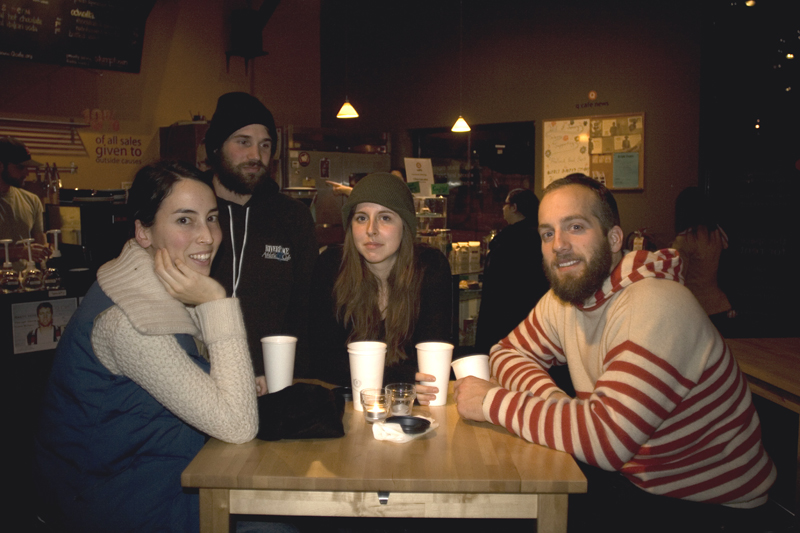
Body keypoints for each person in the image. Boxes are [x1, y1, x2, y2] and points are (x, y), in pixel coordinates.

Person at [454, 174, 776, 532]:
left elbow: (605, 441)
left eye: (575, 227)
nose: (558, 245)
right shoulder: (567, 298)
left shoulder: (656, 303)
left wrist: (491, 402)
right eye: (547, 233)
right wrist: (556, 403)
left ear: (614, 239)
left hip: (714, 509)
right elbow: (507, 353)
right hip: (638, 484)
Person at [34, 161, 258, 532]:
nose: (207, 236)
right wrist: (217, 302)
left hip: (153, 476)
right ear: (143, 232)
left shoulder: (152, 282)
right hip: (115, 503)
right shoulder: (130, 321)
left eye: (212, 218)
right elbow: (238, 425)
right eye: (185, 220)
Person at [205, 92, 318, 392]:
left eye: (265, 145)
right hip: (198, 380)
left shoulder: (293, 217)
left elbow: (305, 311)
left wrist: (293, 380)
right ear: (216, 147)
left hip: (274, 385)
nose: (255, 155)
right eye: (243, 142)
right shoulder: (191, 213)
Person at [310, 172, 453, 404]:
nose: (371, 230)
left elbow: (433, 360)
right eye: (361, 218)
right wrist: (397, 381)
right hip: (349, 406)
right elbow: (320, 361)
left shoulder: (430, 268)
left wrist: (391, 380)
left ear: (405, 225)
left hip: (415, 411)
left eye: (385, 218)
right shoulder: (331, 267)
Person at [474, 188, 549, 354]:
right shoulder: (542, 237)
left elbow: (496, 290)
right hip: (534, 321)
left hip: (505, 320)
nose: (503, 208)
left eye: (506, 204)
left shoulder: (506, 241)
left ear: (514, 207)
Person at [0, 136, 50, 268]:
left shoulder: (32, 200)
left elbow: (40, 244)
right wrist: (18, 252)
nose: (26, 173)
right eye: (20, 167)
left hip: (27, 279)